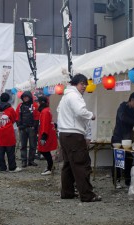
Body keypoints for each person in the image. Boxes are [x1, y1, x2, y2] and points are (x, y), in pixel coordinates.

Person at [57, 74, 101, 202]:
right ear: (75, 83)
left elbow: (59, 110)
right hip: (73, 134)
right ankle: (87, 195)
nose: (84, 86)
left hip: (64, 134)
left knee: (68, 165)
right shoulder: (74, 96)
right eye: (82, 84)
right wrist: (91, 115)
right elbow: (81, 112)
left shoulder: (66, 96)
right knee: (81, 164)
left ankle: (67, 192)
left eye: (85, 84)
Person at [111, 91, 134, 188]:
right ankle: (116, 180)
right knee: (118, 159)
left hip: (128, 139)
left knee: (128, 159)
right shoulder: (122, 107)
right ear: (132, 100)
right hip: (118, 137)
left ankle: (127, 180)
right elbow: (122, 118)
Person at [0, 93, 22, 173]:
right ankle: (12, 168)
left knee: (0, 151)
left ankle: (2, 168)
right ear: (8, 99)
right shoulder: (10, 109)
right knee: (10, 151)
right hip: (8, 132)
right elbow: (14, 119)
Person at [16, 91, 40, 168]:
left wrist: (34, 126)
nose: (25, 98)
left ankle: (31, 160)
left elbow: (37, 116)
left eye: (27, 97)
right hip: (23, 128)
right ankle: (24, 160)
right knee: (23, 145)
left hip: (31, 128)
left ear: (30, 97)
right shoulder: (20, 106)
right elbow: (16, 115)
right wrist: (19, 125)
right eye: (24, 97)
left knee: (33, 145)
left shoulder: (35, 105)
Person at [37, 96, 58, 175]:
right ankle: (50, 166)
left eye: (38, 102)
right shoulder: (47, 110)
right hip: (48, 133)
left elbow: (45, 124)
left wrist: (44, 136)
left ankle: (50, 167)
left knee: (44, 150)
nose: (37, 104)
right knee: (45, 151)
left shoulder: (45, 112)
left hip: (46, 134)